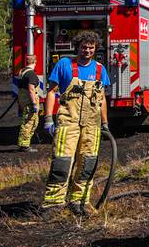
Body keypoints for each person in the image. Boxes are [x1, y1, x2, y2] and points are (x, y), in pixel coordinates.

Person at [40, 30, 111, 217]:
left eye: (91, 47)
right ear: (77, 47)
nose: (87, 50)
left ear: (95, 49)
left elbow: (102, 98)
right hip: (68, 122)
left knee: (88, 163)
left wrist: (105, 123)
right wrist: (48, 118)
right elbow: (51, 91)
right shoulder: (65, 65)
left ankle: (80, 201)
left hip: (92, 126)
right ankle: (53, 203)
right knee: (62, 162)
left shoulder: (99, 69)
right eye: (84, 47)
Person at [15, 54, 43, 152]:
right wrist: (34, 104)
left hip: (23, 100)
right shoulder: (31, 74)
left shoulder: (22, 71)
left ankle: (23, 144)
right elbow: (31, 90)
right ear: (35, 62)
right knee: (30, 122)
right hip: (29, 102)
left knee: (29, 122)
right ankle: (24, 146)